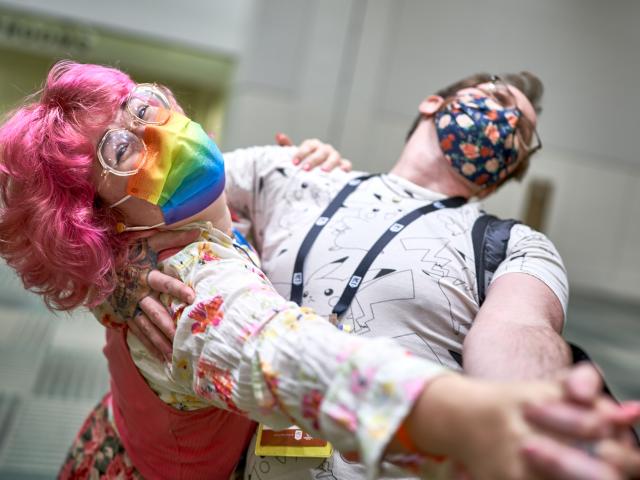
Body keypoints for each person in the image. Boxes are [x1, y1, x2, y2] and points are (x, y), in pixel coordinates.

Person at [2, 61, 631, 480]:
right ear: (435, 104)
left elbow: (522, 331)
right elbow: (271, 349)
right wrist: (113, 270)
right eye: (495, 101)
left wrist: (535, 415)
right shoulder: (292, 174)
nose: (505, 126)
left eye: (521, 134)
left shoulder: (514, 243)